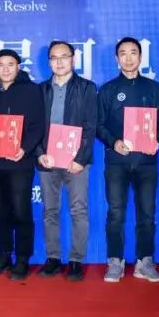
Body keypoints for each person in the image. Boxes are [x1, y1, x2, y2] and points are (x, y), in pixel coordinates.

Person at [96, 37, 159, 283]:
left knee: (147, 213)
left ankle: (144, 261)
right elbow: (99, 125)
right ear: (117, 59)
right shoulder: (107, 90)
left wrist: (156, 139)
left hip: (146, 161)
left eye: (133, 52)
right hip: (117, 161)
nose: (128, 58)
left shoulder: (153, 88)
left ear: (140, 57)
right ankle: (115, 261)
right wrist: (114, 142)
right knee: (116, 212)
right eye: (123, 53)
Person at [37, 41, 98, 282]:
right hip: (47, 160)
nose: (59, 62)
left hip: (76, 162)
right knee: (50, 211)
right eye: (54, 58)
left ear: (73, 59)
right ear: (49, 62)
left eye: (64, 56)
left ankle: (76, 260)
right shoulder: (41, 90)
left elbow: (91, 126)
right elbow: (34, 126)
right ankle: (52, 258)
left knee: (78, 210)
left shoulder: (86, 88)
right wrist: (39, 153)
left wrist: (80, 158)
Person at [0, 49, 45, 281]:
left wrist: (25, 148)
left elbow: (38, 125)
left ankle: (22, 257)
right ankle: (3, 254)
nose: (6, 69)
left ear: (18, 66)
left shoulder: (31, 90)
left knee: (21, 211)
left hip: (21, 162)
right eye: (1, 65)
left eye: (10, 64)